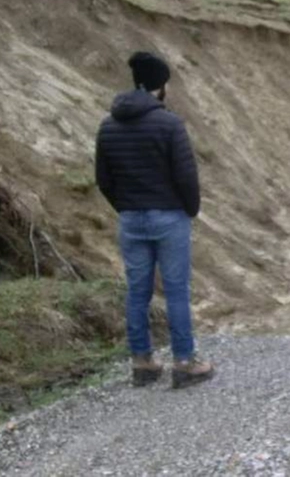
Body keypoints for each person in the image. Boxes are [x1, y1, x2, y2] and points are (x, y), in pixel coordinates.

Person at [95, 51, 213, 389]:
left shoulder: (108, 126)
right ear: (161, 87)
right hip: (169, 216)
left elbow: (104, 179)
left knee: (137, 292)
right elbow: (186, 176)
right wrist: (189, 209)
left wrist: (126, 207)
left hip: (131, 219)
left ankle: (142, 362)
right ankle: (185, 362)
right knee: (176, 291)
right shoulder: (170, 124)